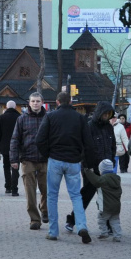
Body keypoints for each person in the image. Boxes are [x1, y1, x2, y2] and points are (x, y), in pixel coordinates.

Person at [36, 92, 93, 244]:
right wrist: (81, 156)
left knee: (52, 196)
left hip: (55, 159)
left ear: (57, 102)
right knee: (76, 196)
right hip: (74, 161)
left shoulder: (50, 116)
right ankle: (81, 225)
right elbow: (88, 142)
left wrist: (47, 153)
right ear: (71, 101)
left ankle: (53, 231)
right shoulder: (80, 118)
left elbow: (40, 139)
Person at [65, 101, 115, 233]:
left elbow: (112, 146)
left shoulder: (109, 128)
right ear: (99, 113)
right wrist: (88, 167)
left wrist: (112, 162)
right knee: (86, 195)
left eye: (109, 114)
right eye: (105, 113)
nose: (107, 116)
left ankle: (108, 224)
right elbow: (84, 148)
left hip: (107, 168)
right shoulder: (89, 126)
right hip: (91, 168)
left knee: (107, 197)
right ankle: (72, 220)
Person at [10, 92, 48, 229]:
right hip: (27, 159)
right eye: (33, 101)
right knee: (30, 192)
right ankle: (34, 219)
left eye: (38, 101)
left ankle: (44, 210)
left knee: (47, 189)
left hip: (45, 159)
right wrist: (13, 159)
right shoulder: (22, 119)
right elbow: (15, 139)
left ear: (42, 102)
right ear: (29, 103)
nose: (35, 103)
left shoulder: (48, 118)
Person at [83, 159, 122, 242]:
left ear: (102, 170)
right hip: (116, 206)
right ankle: (117, 236)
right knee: (115, 221)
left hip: (105, 206)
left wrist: (88, 172)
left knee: (101, 219)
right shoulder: (117, 179)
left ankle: (104, 233)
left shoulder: (103, 179)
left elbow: (96, 181)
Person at [0, 100, 21, 196]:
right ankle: (15, 189)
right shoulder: (19, 117)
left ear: (6, 107)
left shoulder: (1, 118)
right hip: (17, 146)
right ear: (15, 107)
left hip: (5, 146)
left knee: (6, 167)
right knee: (15, 167)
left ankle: (8, 187)